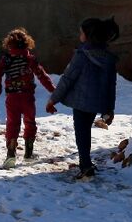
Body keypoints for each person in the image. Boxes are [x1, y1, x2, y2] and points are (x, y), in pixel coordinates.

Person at [45, 17, 119, 180]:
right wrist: (109, 108)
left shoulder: (82, 55)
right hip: (95, 103)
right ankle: (86, 163)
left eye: (81, 32)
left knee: (82, 133)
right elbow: (110, 85)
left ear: (88, 35)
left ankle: (85, 165)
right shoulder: (108, 58)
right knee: (86, 132)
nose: (80, 35)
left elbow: (67, 79)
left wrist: (53, 99)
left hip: (80, 102)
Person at [0, 27, 55, 167]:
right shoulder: (30, 59)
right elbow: (42, 75)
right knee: (30, 122)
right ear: (27, 43)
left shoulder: (6, 59)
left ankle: (10, 153)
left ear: (9, 44)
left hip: (12, 97)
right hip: (27, 97)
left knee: (12, 123)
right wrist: (53, 90)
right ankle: (28, 153)